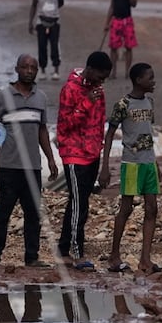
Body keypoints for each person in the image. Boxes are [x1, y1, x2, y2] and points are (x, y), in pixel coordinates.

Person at [0, 54, 59, 267]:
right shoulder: (3, 97)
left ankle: (31, 257)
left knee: (33, 214)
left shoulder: (40, 98)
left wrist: (51, 159)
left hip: (32, 166)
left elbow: (42, 130)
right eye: (25, 67)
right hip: (9, 166)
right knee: (3, 213)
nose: (29, 70)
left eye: (33, 67)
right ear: (17, 69)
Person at [100, 63, 162, 275]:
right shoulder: (123, 105)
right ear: (138, 80)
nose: (153, 81)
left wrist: (157, 164)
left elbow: (147, 134)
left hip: (149, 162)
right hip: (132, 164)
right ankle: (114, 256)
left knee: (152, 209)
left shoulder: (150, 102)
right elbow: (109, 135)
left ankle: (145, 259)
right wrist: (105, 166)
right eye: (150, 78)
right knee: (126, 209)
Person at [55, 52, 112, 270]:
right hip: (73, 153)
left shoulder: (98, 90)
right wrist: (86, 103)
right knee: (79, 204)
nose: (102, 81)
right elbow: (65, 125)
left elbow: (99, 122)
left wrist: (100, 152)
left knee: (79, 203)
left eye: (105, 78)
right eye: (100, 76)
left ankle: (63, 249)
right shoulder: (71, 89)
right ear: (90, 69)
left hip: (92, 153)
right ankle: (77, 253)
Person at [29, 0, 65, 81]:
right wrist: (31, 22)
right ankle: (43, 70)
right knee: (42, 46)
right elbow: (34, 5)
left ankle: (56, 70)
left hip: (54, 22)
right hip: (41, 22)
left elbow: (61, 2)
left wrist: (52, 10)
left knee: (55, 46)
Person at [104, 0, 138, 79]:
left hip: (127, 20)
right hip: (116, 20)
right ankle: (113, 71)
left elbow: (134, 4)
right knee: (113, 47)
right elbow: (112, 6)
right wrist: (107, 22)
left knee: (129, 47)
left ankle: (127, 72)